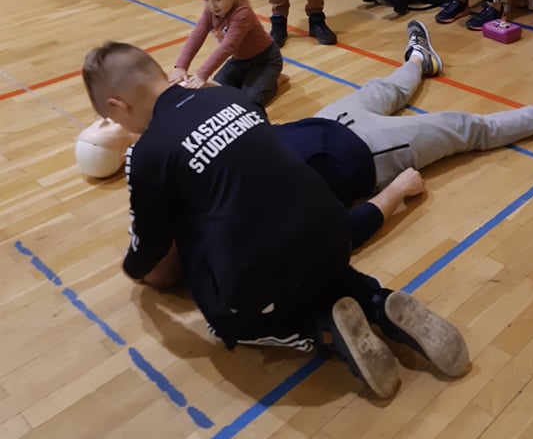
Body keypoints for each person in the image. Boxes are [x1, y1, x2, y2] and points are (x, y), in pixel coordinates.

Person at [82, 41, 470, 399]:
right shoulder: (228, 96)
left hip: (269, 273)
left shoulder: (148, 153)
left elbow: (149, 247)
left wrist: (133, 271)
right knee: (305, 251)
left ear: (117, 106)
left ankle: (321, 332)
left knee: (225, 321)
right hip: (336, 234)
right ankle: (378, 301)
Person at [275, 21, 533, 234]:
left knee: (386, 88)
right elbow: (342, 235)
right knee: (465, 127)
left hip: (325, 122)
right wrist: (395, 192)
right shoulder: (261, 230)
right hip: (367, 151)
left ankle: (419, 59)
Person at [168, 0, 286, 108]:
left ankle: (273, 82)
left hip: (265, 61)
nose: (212, 6)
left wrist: (202, 74)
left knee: (248, 102)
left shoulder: (242, 13)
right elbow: (197, 35)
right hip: (239, 61)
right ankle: (254, 80)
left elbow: (228, 46)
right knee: (218, 92)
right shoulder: (210, 11)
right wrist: (181, 66)